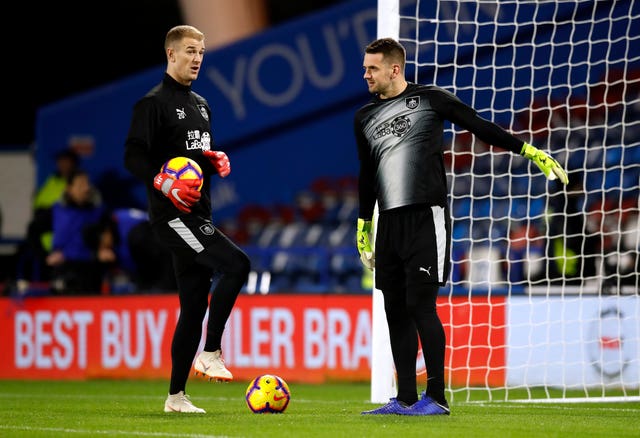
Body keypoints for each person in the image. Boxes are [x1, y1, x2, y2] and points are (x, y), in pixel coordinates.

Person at [354, 38, 568, 416]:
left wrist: (529, 151)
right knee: (394, 310)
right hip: (389, 222)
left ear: (394, 69)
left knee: (421, 305)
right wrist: (363, 225)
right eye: (365, 67)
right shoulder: (364, 117)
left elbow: (480, 126)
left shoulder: (431, 99)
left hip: (426, 217)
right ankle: (404, 398)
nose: (366, 74)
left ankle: (435, 397)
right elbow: (367, 174)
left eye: (372, 68)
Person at [124, 25, 250, 414]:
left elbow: (191, 160)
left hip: (199, 213)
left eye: (202, 52)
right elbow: (134, 155)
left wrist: (210, 162)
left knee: (193, 306)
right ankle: (211, 352)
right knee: (237, 264)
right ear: (171, 54)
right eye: (191, 51)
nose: (197, 58)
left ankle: (176, 397)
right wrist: (160, 180)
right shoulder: (153, 104)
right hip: (173, 217)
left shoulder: (201, 104)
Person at [45, 169, 106, 294]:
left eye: (87, 184)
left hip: (91, 268)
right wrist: (45, 256)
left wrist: (103, 250)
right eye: (80, 185)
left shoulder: (98, 212)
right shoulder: (55, 210)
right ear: (69, 188)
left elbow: (109, 236)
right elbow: (33, 232)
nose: (86, 188)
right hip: (63, 268)